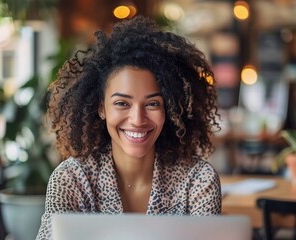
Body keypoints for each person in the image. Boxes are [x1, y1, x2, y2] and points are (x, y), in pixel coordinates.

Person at [36, 15, 222, 239]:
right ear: (101, 108)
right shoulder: (71, 179)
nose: (137, 119)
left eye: (153, 103)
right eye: (122, 103)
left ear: (170, 109)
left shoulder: (198, 181)